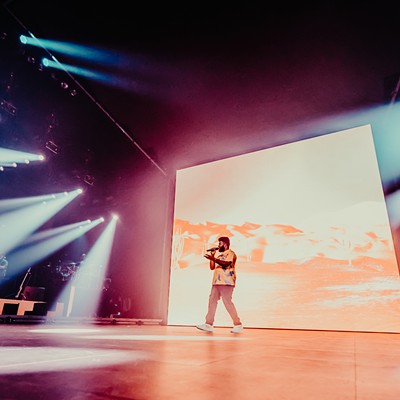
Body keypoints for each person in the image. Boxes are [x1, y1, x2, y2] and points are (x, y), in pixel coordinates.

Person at [196, 236, 243, 333]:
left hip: (227, 282)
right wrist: (212, 258)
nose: (218, 246)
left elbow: (226, 264)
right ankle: (208, 324)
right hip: (217, 282)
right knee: (212, 301)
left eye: (220, 243)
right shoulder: (219, 255)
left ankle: (238, 324)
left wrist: (214, 259)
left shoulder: (230, 253)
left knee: (227, 302)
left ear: (225, 244)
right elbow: (212, 267)